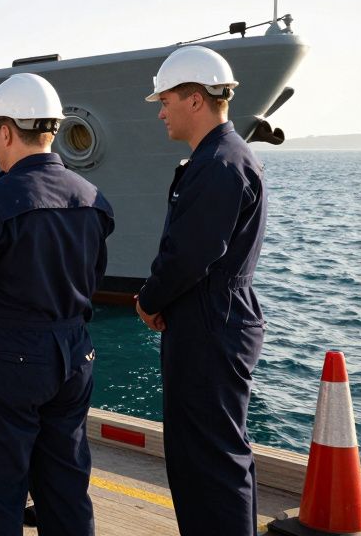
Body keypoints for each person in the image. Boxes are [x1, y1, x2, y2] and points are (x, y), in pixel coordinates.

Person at [0, 73, 113, 536]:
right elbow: (95, 276)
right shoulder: (93, 200)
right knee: (66, 485)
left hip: (12, 355)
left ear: (5, 130)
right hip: (75, 351)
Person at [134, 46, 266, 536]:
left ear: (195, 100)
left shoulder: (218, 163)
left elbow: (192, 253)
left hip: (210, 323)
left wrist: (149, 301)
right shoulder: (222, 157)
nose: (161, 112)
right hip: (212, 317)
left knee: (209, 462)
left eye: (165, 101)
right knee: (211, 456)